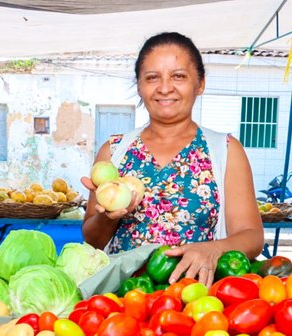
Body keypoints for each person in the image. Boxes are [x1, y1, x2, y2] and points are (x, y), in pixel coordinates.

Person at [82, 32, 263, 286]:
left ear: (200, 84)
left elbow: (252, 236)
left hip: (196, 302)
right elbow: (93, 240)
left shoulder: (225, 150)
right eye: (152, 77)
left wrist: (214, 248)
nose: (165, 88)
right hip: (123, 302)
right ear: (139, 85)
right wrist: (107, 216)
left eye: (178, 76)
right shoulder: (114, 151)